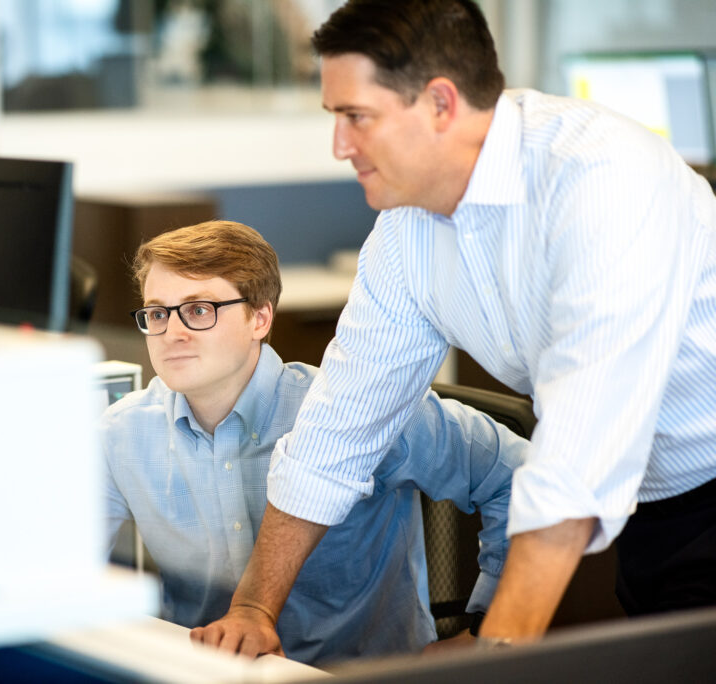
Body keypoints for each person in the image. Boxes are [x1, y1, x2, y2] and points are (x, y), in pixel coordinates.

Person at [192, 0, 716, 655]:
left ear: (440, 103)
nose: (339, 146)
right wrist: (252, 608)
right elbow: (335, 434)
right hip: (649, 509)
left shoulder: (602, 181)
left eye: (357, 117)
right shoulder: (408, 231)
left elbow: (576, 461)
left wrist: (488, 664)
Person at [102, 219, 529, 665]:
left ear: (260, 318)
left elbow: (519, 477)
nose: (173, 333)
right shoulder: (122, 434)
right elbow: (58, 577)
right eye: (156, 313)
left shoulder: (357, 410)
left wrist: (488, 632)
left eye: (199, 309)